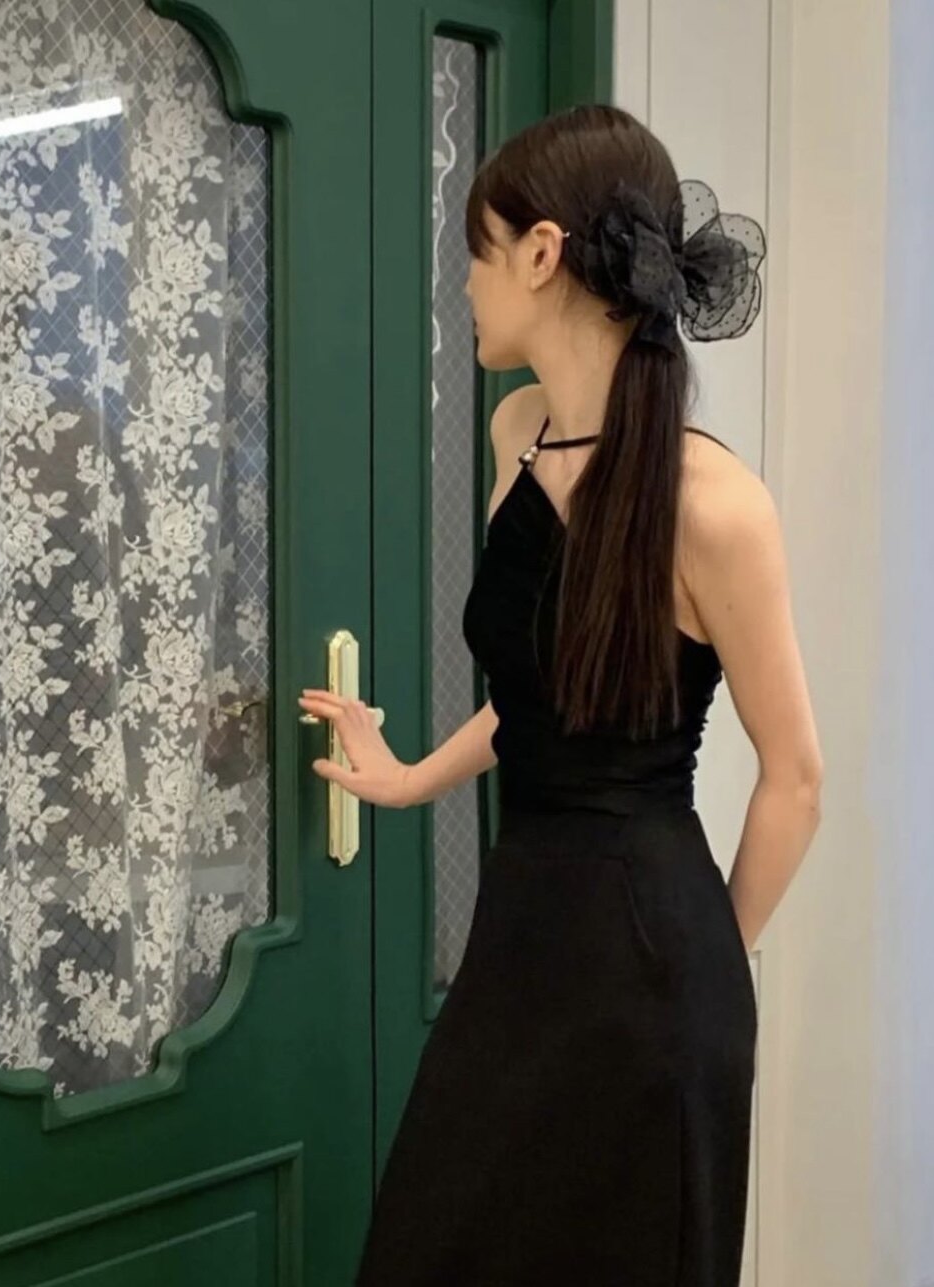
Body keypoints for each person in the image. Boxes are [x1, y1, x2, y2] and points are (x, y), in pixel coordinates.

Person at [297, 104, 823, 1287]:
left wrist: (706, 969)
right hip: (523, 937)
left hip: (654, 967)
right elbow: (552, 697)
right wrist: (411, 778)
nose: (465, 285)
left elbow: (796, 780)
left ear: (541, 254)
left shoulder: (715, 509)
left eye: (476, 253)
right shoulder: (519, 431)